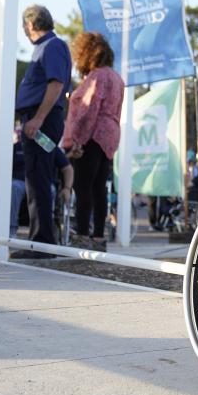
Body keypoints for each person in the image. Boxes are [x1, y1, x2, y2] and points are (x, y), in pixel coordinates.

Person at [11, 5, 71, 259]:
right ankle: (40, 238)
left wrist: (37, 118)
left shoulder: (52, 46)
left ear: (30, 25)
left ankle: (42, 242)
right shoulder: (46, 47)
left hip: (41, 120)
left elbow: (56, 84)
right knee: (35, 180)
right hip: (36, 119)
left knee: (38, 182)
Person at [62, 32, 123, 250]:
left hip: (93, 134)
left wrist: (77, 139)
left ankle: (81, 234)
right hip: (110, 136)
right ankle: (98, 236)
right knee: (99, 188)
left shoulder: (97, 77)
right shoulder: (117, 78)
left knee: (83, 185)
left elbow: (88, 110)